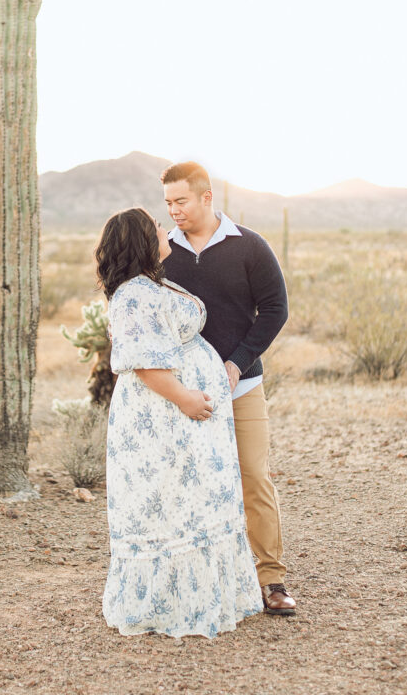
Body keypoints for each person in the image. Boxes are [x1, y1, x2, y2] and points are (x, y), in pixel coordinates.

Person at [96, 207, 263, 638]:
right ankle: (173, 603)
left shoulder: (153, 282)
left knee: (194, 497)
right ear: (139, 240)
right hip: (166, 413)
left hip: (184, 414)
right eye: (155, 225)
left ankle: (205, 595)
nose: (164, 228)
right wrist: (188, 398)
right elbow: (145, 366)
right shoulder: (133, 294)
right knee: (171, 500)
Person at [160, 162, 296, 617]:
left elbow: (276, 308)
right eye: (168, 203)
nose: (174, 211)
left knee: (254, 476)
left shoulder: (249, 246)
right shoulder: (160, 252)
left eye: (181, 201)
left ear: (206, 197)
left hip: (242, 385)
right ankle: (196, 579)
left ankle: (271, 579)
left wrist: (238, 362)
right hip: (182, 393)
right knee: (189, 482)